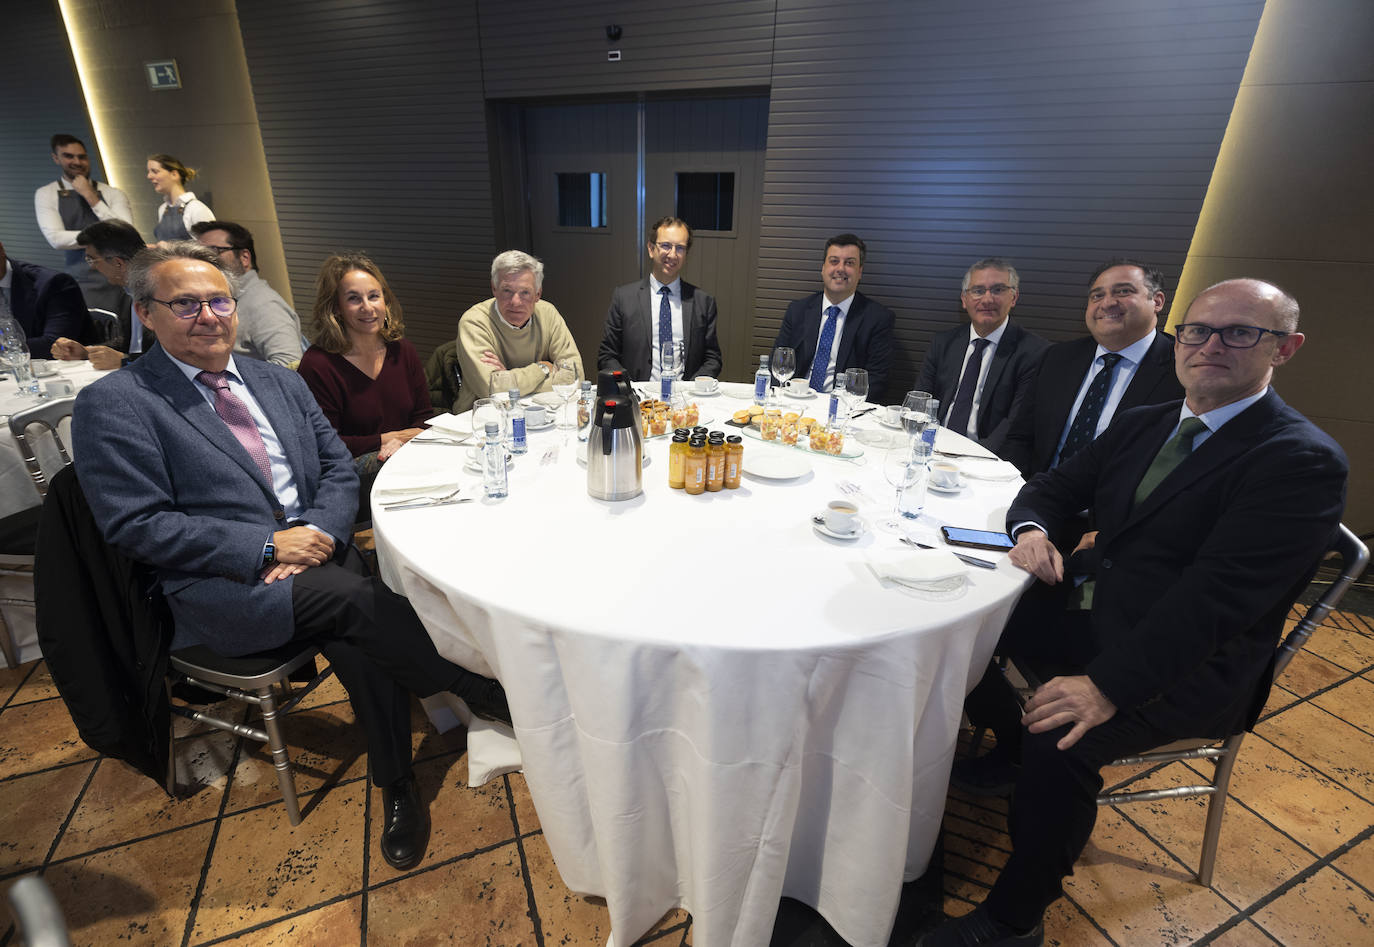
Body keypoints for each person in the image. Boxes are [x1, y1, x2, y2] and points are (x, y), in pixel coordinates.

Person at [922, 279, 1348, 947]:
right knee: (963, 622)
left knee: (1061, 737)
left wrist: (1104, 686)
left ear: (1284, 349)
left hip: (1189, 660)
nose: (1211, 345)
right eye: (1200, 329)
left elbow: (1213, 604)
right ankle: (1008, 753)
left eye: (1239, 332)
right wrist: (1033, 527)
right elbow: (1055, 487)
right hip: (1103, 604)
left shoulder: (1299, 461)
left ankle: (1015, 916)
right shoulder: (1150, 419)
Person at [70, 241, 509, 871]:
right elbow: (134, 523)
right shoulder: (118, 402)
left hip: (317, 555)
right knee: (360, 597)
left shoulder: (278, 379)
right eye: (186, 304)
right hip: (222, 583)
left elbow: (335, 468)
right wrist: (264, 546)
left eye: (219, 300)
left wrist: (315, 539)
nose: (209, 315)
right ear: (145, 313)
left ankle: (399, 786)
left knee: (359, 629)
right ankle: (476, 690)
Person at [1002, 260, 1184, 476]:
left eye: (1124, 291)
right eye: (1097, 295)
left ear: (1157, 301)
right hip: (1037, 494)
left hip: (1120, 507)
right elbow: (1021, 437)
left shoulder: (1182, 369)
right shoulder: (1058, 358)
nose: (1107, 303)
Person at [297, 253, 431, 514]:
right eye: (353, 299)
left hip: (406, 456)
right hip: (350, 472)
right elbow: (324, 444)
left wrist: (400, 442)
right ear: (335, 307)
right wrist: (385, 440)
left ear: (385, 301)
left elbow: (423, 418)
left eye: (374, 296)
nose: (367, 308)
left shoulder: (403, 350)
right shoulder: (318, 365)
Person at [916, 258, 1049, 453]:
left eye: (998, 290)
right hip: (934, 446)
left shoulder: (1034, 352)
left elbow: (1015, 424)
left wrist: (968, 457)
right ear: (964, 299)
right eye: (978, 291)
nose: (987, 299)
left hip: (986, 456)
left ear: (1014, 297)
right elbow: (921, 402)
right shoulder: (943, 343)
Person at [455, 250, 584, 412]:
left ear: (538, 294)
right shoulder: (474, 321)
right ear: (494, 289)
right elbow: (492, 391)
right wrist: (542, 369)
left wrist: (507, 379)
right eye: (507, 291)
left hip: (545, 411)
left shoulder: (548, 313)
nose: (515, 302)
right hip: (485, 418)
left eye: (525, 292)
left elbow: (574, 378)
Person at [772, 233, 896, 402]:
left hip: (842, 410)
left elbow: (877, 380)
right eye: (834, 261)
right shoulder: (798, 311)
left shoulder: (878, 319)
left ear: (860, 271)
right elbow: (778, 364)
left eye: (849, 263)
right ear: (823, 268)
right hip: (795, 402)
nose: (840, 268)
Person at [597, 216, 723, 382]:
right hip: (639, 398)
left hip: (685, 400)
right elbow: (607, 356)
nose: (672, 254)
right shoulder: (624, 298)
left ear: (686, 254)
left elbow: (712, 358)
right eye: (665, 246)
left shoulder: (703, 302)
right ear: (651, 249)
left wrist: (692, 388)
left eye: (680, 248)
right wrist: (628, 388)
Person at [33, 133, 133, 312]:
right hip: (83, 280)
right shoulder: (46, 194)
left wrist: (90, 196)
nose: (77, 162)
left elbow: (126, 232)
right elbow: (56, 239)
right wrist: (106, 235)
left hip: (121, 277)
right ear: (56, 158)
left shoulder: (112, 193)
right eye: (68, 156)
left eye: (81, 156)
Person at [192, 220, 304, 366]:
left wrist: (235, 384)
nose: (204, 262)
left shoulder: (265, 305)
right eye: (199, 256)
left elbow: (291, 364)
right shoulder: (222, 299)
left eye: (213, 252)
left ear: (244, 257)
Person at [51, 220, 150, 369]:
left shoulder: (161, 294)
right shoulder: (128, 291)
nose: (92, 267)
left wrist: (126, 361)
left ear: (118, 263)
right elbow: (133, 343)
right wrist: (87, 352)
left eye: (92, 260)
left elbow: (178, 356)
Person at [0, 239, 89, 359]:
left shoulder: (55, 283)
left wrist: (4, 349)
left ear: (1, 250)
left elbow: (55, 344)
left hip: (66, 370)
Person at [147, 154, 213, 243]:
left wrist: (169, 248)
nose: (149, 176)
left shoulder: (197, 209)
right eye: (149, 172)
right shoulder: (163, 209)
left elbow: (210, 248)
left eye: (155, 171)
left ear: (174, 174)